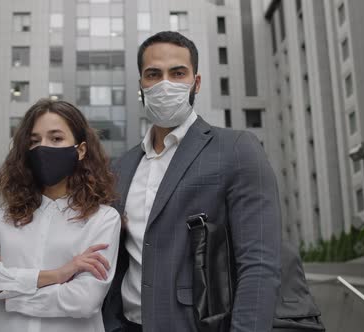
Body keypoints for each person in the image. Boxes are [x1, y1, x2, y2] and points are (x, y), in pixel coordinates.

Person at [102, 31, 282, 332]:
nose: (165, 83)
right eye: (153, 74)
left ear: (195, 83)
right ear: (141, 86)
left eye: (177, 73)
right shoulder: (121, 167)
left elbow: (259, 264)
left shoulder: (237, 149)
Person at [0, 99, 122, 332]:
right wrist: (56, 275)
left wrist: (5, 290)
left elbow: (83, 300)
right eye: (34, 141)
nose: (43, 148)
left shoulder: (102, 219)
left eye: (56, 138)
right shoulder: (4, 218)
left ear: (80, 150)